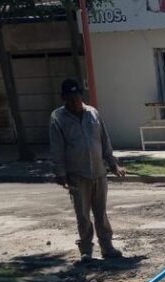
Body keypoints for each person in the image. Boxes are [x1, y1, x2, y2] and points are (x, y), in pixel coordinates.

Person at [49, 79, 125, 263]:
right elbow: (57, 147)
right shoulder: (58, 117)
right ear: (64, 98)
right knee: (82, 213)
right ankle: (86, 250)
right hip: (77, 173)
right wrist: (60, 172)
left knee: (101, 212)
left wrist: (113, 163)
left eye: (76, 97)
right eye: (70, 98)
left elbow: (104, 140)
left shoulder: (93, 113)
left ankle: (107, 246)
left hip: (98, 171)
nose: (74, 101)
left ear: (81, 96)